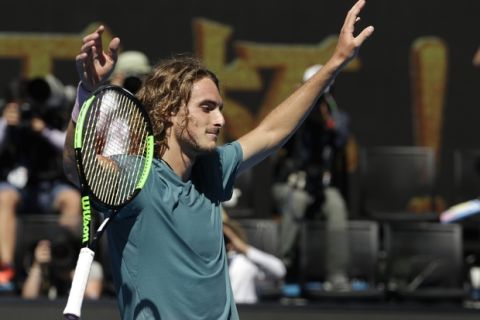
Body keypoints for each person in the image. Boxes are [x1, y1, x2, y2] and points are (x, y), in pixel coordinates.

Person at [63, 1, 373, 318]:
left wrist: (335, 62)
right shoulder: (135, 178)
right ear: (171, 110)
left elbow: (271, 131)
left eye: (220, 107)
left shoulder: (212, 169)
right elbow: (78, 168)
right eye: (207, 107)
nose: (221, 119)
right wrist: (86, 92)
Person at [272, 64, 352, 291]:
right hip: (290, 184)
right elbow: (282, 136)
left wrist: (326, 116)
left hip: (322, 187)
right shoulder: (294, 114)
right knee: (296, 201)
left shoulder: (338, 118)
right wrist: (300, 104)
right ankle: (281, 270)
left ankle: (337, 275)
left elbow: (340, 140)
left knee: (336, 206)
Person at [0, 75, 81, 293]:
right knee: (4, 197)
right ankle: (5, 268)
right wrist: (7, 125)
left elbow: (70, 148)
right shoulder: (10, 119)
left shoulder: (52, 118)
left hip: (50, 188)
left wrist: (42, 130)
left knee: (72, 200)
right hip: (20, 189)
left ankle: (63, 261)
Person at [21, 226, 104, 300]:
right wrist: (37, 265)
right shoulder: (45, 268)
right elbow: (28, 299)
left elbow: (93, 298)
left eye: (64, 251)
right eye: (56, 251)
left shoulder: (89, 267)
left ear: (74, 250)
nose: (60, 254)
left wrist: (70, 274)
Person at [223, 212, 286, 304]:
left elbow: (280, 270)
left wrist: (243, 247)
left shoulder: (245, 263)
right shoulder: (205, 265)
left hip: (246, 312)